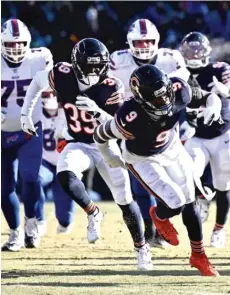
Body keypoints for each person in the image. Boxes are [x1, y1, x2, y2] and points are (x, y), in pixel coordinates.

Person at [20, 38, 151, 271]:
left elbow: (121, 128)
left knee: (124, 200)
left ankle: (142, 248)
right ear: (76, 64)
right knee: (65, 173)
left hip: (107, 144)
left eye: (97, 66)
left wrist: (98, 113)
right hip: (79, 143)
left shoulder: (111, 87)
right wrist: (25, 114)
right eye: (88, 66)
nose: (93, 71)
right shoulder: (61, 74)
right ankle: (93, 212)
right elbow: (37, 83)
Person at [93, 64, 221, 276]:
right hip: (142, 158)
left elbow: (208, 96)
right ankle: (159, 216)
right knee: (175, 201)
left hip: (171, 147)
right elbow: (100, 135)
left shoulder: (179, 89)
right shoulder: (129, 116)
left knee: (191, 199)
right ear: (141, 99)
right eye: (157, 99)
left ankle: (199, 256)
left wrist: (213, 105)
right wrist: (109, 156)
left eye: (165, 95)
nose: (164, 101)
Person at [109, 18, 189, 247]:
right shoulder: (118, 60)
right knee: (141, 183)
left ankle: (166, 221)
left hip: (165, 127)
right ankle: (150, 230)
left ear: (157, 41)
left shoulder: (170, 58)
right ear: (129, 42)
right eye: (139, 42)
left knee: (174, 180)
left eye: (148, 41)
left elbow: (182, 90)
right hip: (133, 125)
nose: (144, 46)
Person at [178, 31, 230, 248]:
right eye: (189, 51)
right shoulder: (178, 74)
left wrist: (227, 92)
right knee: (189, 175)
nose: (193, 55)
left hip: (223, 134)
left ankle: (219, 229)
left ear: (206, 52)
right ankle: (203, 195)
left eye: (197, 50)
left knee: (224, 184)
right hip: (196, 135)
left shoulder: (219, 70)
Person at [1, 18, 53, 251]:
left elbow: (52, 88)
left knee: (30, 177)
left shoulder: (39, 58)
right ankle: (15, 234)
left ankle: (31, 221)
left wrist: (52, 104)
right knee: (4, 189)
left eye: (20, 43)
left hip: (29, 128)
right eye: (10, 44)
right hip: (1, 132)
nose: (16, 48)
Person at [38, 90, 74, 234]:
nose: (50, 98)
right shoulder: (35, 114)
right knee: (35, 179)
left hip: (64, 164)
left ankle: (64, 222)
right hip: (44, 161)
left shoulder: (69, 114)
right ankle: (37, 219)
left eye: (53, 94)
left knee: (65, 220)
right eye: (46, 95)